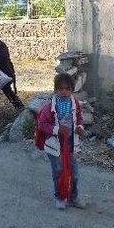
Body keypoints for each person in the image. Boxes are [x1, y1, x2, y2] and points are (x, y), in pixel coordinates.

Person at [36, 73, 85, 210]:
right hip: (54, 146)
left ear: (72, 89)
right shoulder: (49, 107)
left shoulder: (74, 103)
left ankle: (73, 197)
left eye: (67, 89)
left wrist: (80, 127)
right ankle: (60, 197)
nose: (64, 92)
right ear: (56, 89)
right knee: (58, 172)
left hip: (71, 144)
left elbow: (79, 118)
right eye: (61, 89)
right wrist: (57, 130)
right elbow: (42, 124)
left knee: (74, 173)